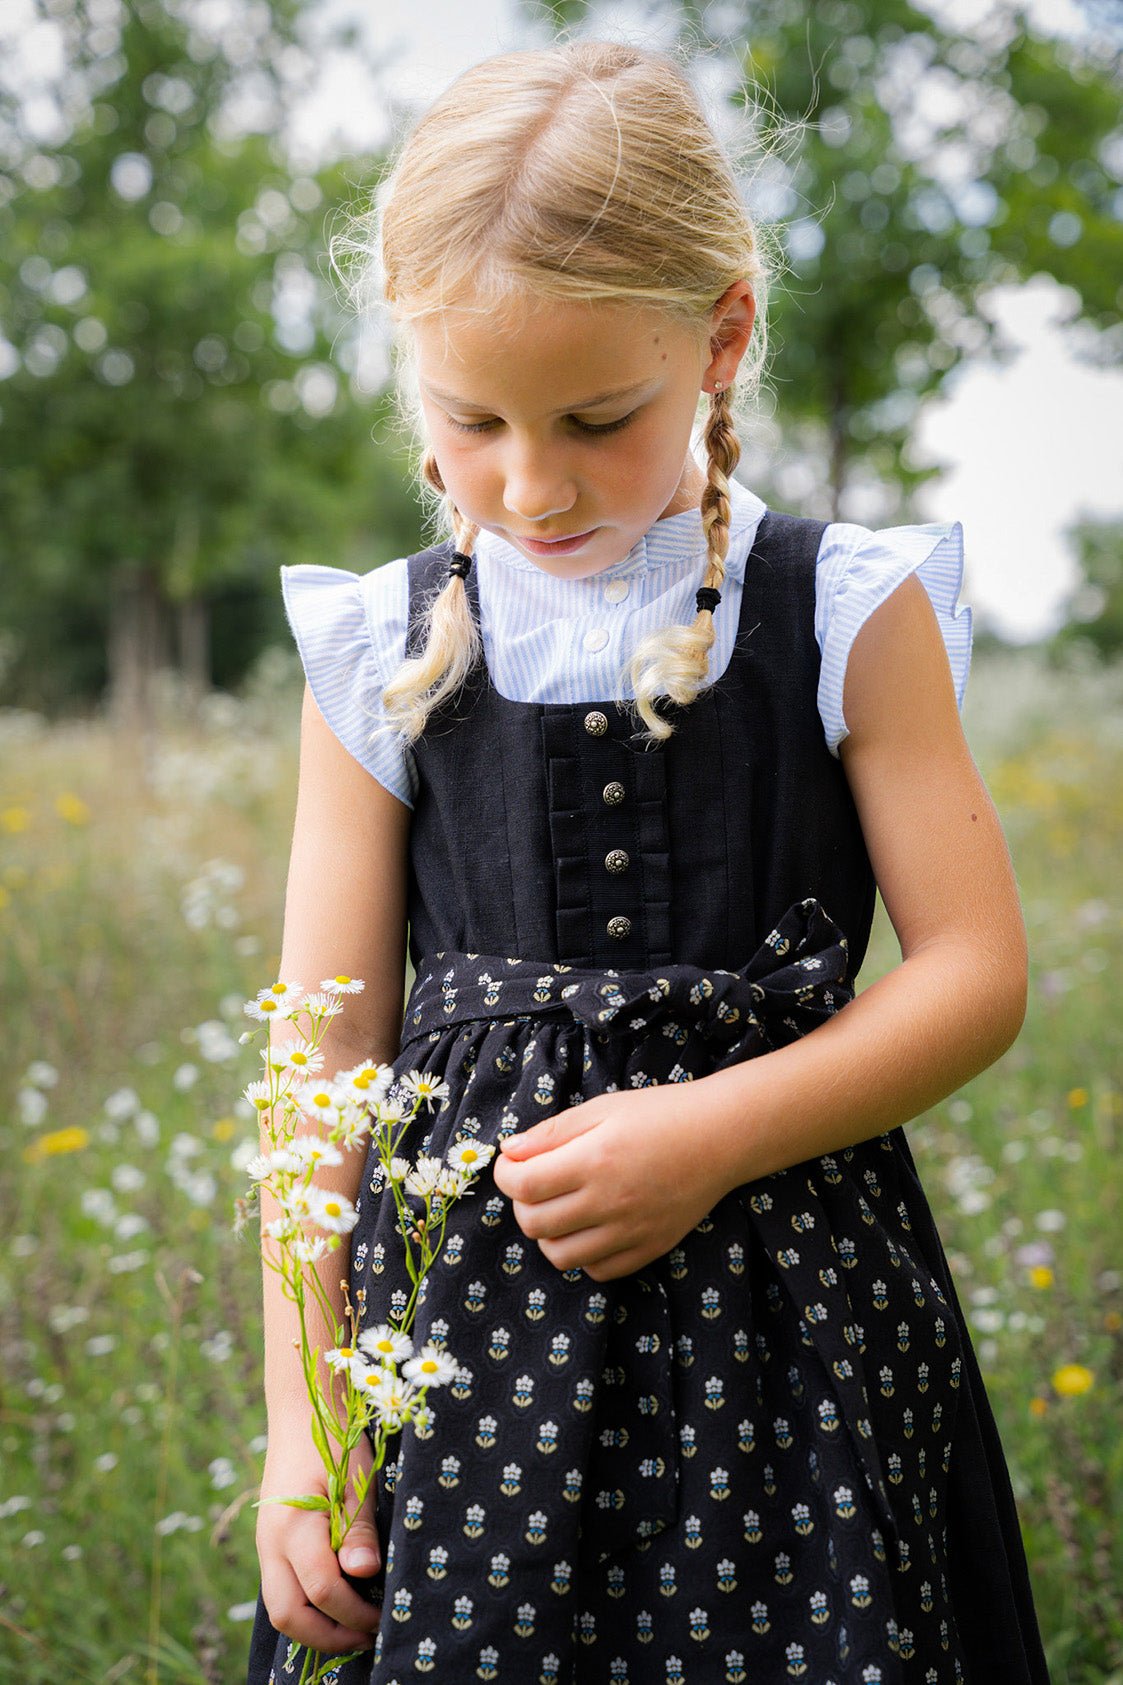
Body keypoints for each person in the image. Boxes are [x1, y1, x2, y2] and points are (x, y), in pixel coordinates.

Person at [246, 38, 1050, 1685]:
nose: (531, 483)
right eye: (471, 420)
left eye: (597, 418)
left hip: (792, 1339)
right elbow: (317, 1061)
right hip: (462, 1357)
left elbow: (975, 976)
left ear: (722, 334)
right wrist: (305, 1420)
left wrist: (707, 1131)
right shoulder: (376, 646)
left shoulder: (841, 602)